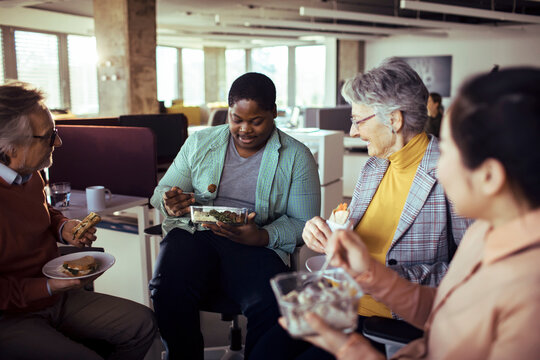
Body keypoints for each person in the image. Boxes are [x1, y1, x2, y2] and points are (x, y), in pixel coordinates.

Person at [290, 67, 540, 359]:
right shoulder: (485, 234)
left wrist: (358, 354)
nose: (439, 165)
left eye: (450, 152)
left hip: (377, 321)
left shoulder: (528, 296)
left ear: (489, 177)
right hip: (347, 299)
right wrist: (368, 273)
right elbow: (444, 314)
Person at [250, 57, 471, 359]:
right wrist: (327, 231)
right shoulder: (374, 166)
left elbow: (468, 276)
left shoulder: (451, 174)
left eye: (358, 120)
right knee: (264, 352)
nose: (352, 132)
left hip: (386, 319)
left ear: (394, 120)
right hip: (337, 301)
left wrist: (376, 276)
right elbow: (354, 229)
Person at [149, 72, 321, 359]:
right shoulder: (200, 142)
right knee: (167, 288)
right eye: (236, 119)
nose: (244, 129)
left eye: (256, 121)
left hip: (255, 242)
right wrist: (170, 202)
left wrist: (261, 236)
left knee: (271, 303)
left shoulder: (297, 156)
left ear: (274, 113)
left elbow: (304, 224)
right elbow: (161, 192)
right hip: (196, 234)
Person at [0, 82, 157, 359]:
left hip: (54, 299)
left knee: (142, 324)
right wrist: (48, 285)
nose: (58, 143)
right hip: (9, 316)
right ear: (11, 148)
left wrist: (63, 227)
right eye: (49, 136)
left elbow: (44, 212)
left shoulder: (29, 174)